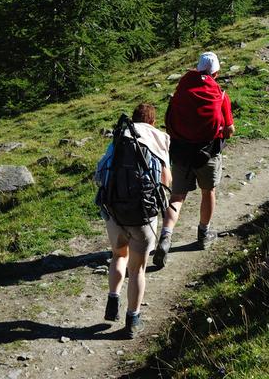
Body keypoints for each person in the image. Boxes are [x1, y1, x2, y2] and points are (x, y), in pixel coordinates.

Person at [153, 51, 235, 268]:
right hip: (206, 154)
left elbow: (169, 122)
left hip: (180, 153)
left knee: (177, 197)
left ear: (197, 69)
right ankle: (203, 234)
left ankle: (166, 236)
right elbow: (229, 130)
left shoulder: (181, 91)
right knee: (208, 192)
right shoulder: (220, 94)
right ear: (216, 72)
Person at [97, 103, 171, 338]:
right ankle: (132, 320)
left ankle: (112, 299)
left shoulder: (119, 139)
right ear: (152, 121)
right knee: (137, 269)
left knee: (119, 255)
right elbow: (166, 180)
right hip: (143, 216)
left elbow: (100, 174)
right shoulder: (158, 138)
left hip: (116, 213)